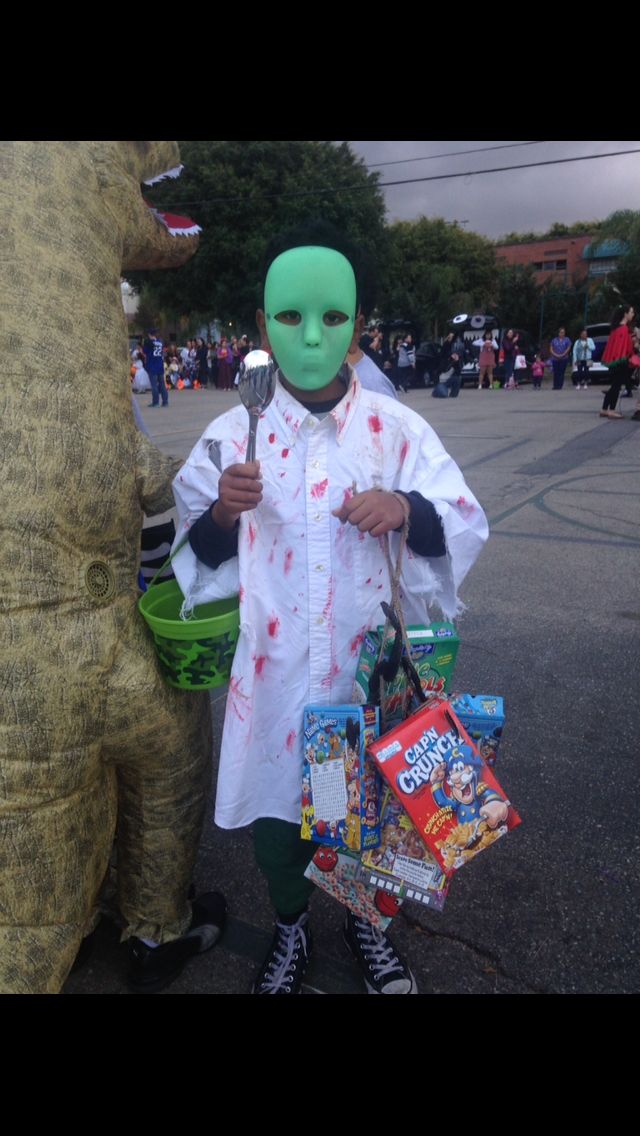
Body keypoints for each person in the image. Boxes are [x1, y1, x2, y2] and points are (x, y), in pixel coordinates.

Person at [171, 220, 488, 996]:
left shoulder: (396, 430)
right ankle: (289, 929)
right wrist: (219, 515)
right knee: (283, 828)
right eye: (289, 316)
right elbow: (189, 564)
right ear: (260, 327)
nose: (311, 334)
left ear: (358, 328)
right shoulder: (228, 438)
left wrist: (407, 507)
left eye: (332, 317)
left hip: (366, 676)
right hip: (277, 684)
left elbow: (465, 519)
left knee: (370, 820)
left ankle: (369, 926)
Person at [600, 304, 635, 419]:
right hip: (620, 362)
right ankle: (612, 410)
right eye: (631, 312)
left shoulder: (616, 328)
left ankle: (605, 409)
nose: (632, 314)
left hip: (615, 361)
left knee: (614, 385)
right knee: (616, 386)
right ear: (625, 314)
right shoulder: (623, 329)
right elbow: (624, 348)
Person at [143, 328, 168, 407]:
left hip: (152, 365)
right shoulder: (160, 342)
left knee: (154, 385)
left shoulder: (149, 343)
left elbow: (145, 352)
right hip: (160, 365)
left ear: (149, 335)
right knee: (162, 384)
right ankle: (165, 401)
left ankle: (155, 402)